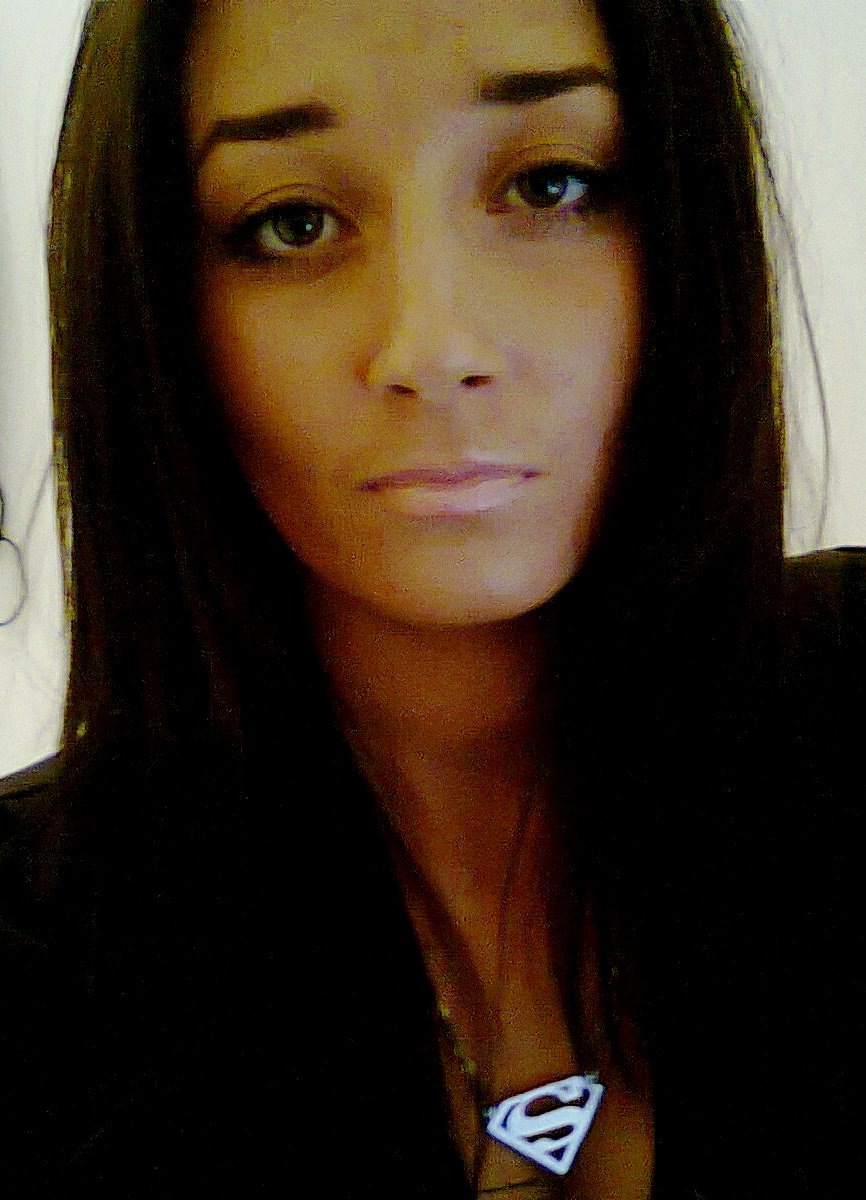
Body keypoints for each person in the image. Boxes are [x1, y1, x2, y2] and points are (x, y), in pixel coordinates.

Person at [1, 1, 863, 1196]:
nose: (432, 344)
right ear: (153, 304)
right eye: (292, 223)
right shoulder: (34, 962)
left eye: (550, 186)